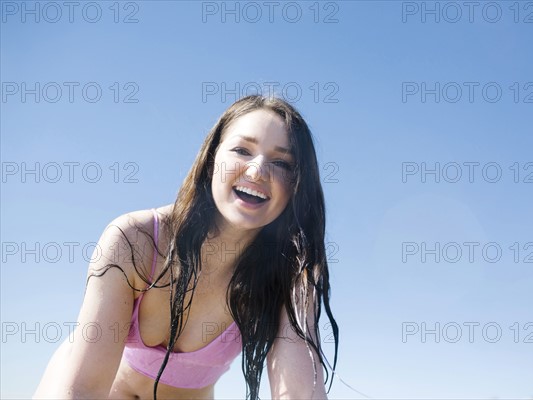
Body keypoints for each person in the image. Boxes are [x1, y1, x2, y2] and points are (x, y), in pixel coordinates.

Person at [33, 95, 339, 400]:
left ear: (297, 185)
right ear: (211, 161)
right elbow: (83, 390)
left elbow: (300, 394)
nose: (258, 170)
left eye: (281, 162)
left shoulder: (290, 276)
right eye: (242, 150)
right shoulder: (135, 240)